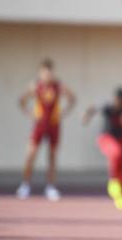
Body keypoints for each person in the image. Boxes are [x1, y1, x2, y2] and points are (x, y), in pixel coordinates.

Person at [16, 59, 75, 201]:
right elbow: (22, 101)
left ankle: (50, 187)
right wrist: (31, 114)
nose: (47, 75)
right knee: (31, 154)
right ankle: (25, 185)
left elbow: (72, 98)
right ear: (40, 73)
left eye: (49, 73)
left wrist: (63, 113)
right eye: (44, 73)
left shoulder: (58, 86)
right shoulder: (35, 86)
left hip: (54, 125)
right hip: (39, 124)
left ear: (52, 73)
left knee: (52, 157)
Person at [83, 87, 122, 210]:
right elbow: (94, 109)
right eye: (116, 100)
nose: (118, 103)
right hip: (106, 138)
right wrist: (86, 116)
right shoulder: (108, 108)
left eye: (121, 101)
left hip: (121, 140)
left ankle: (120, 193)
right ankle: (113, 181)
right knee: (116, 153)